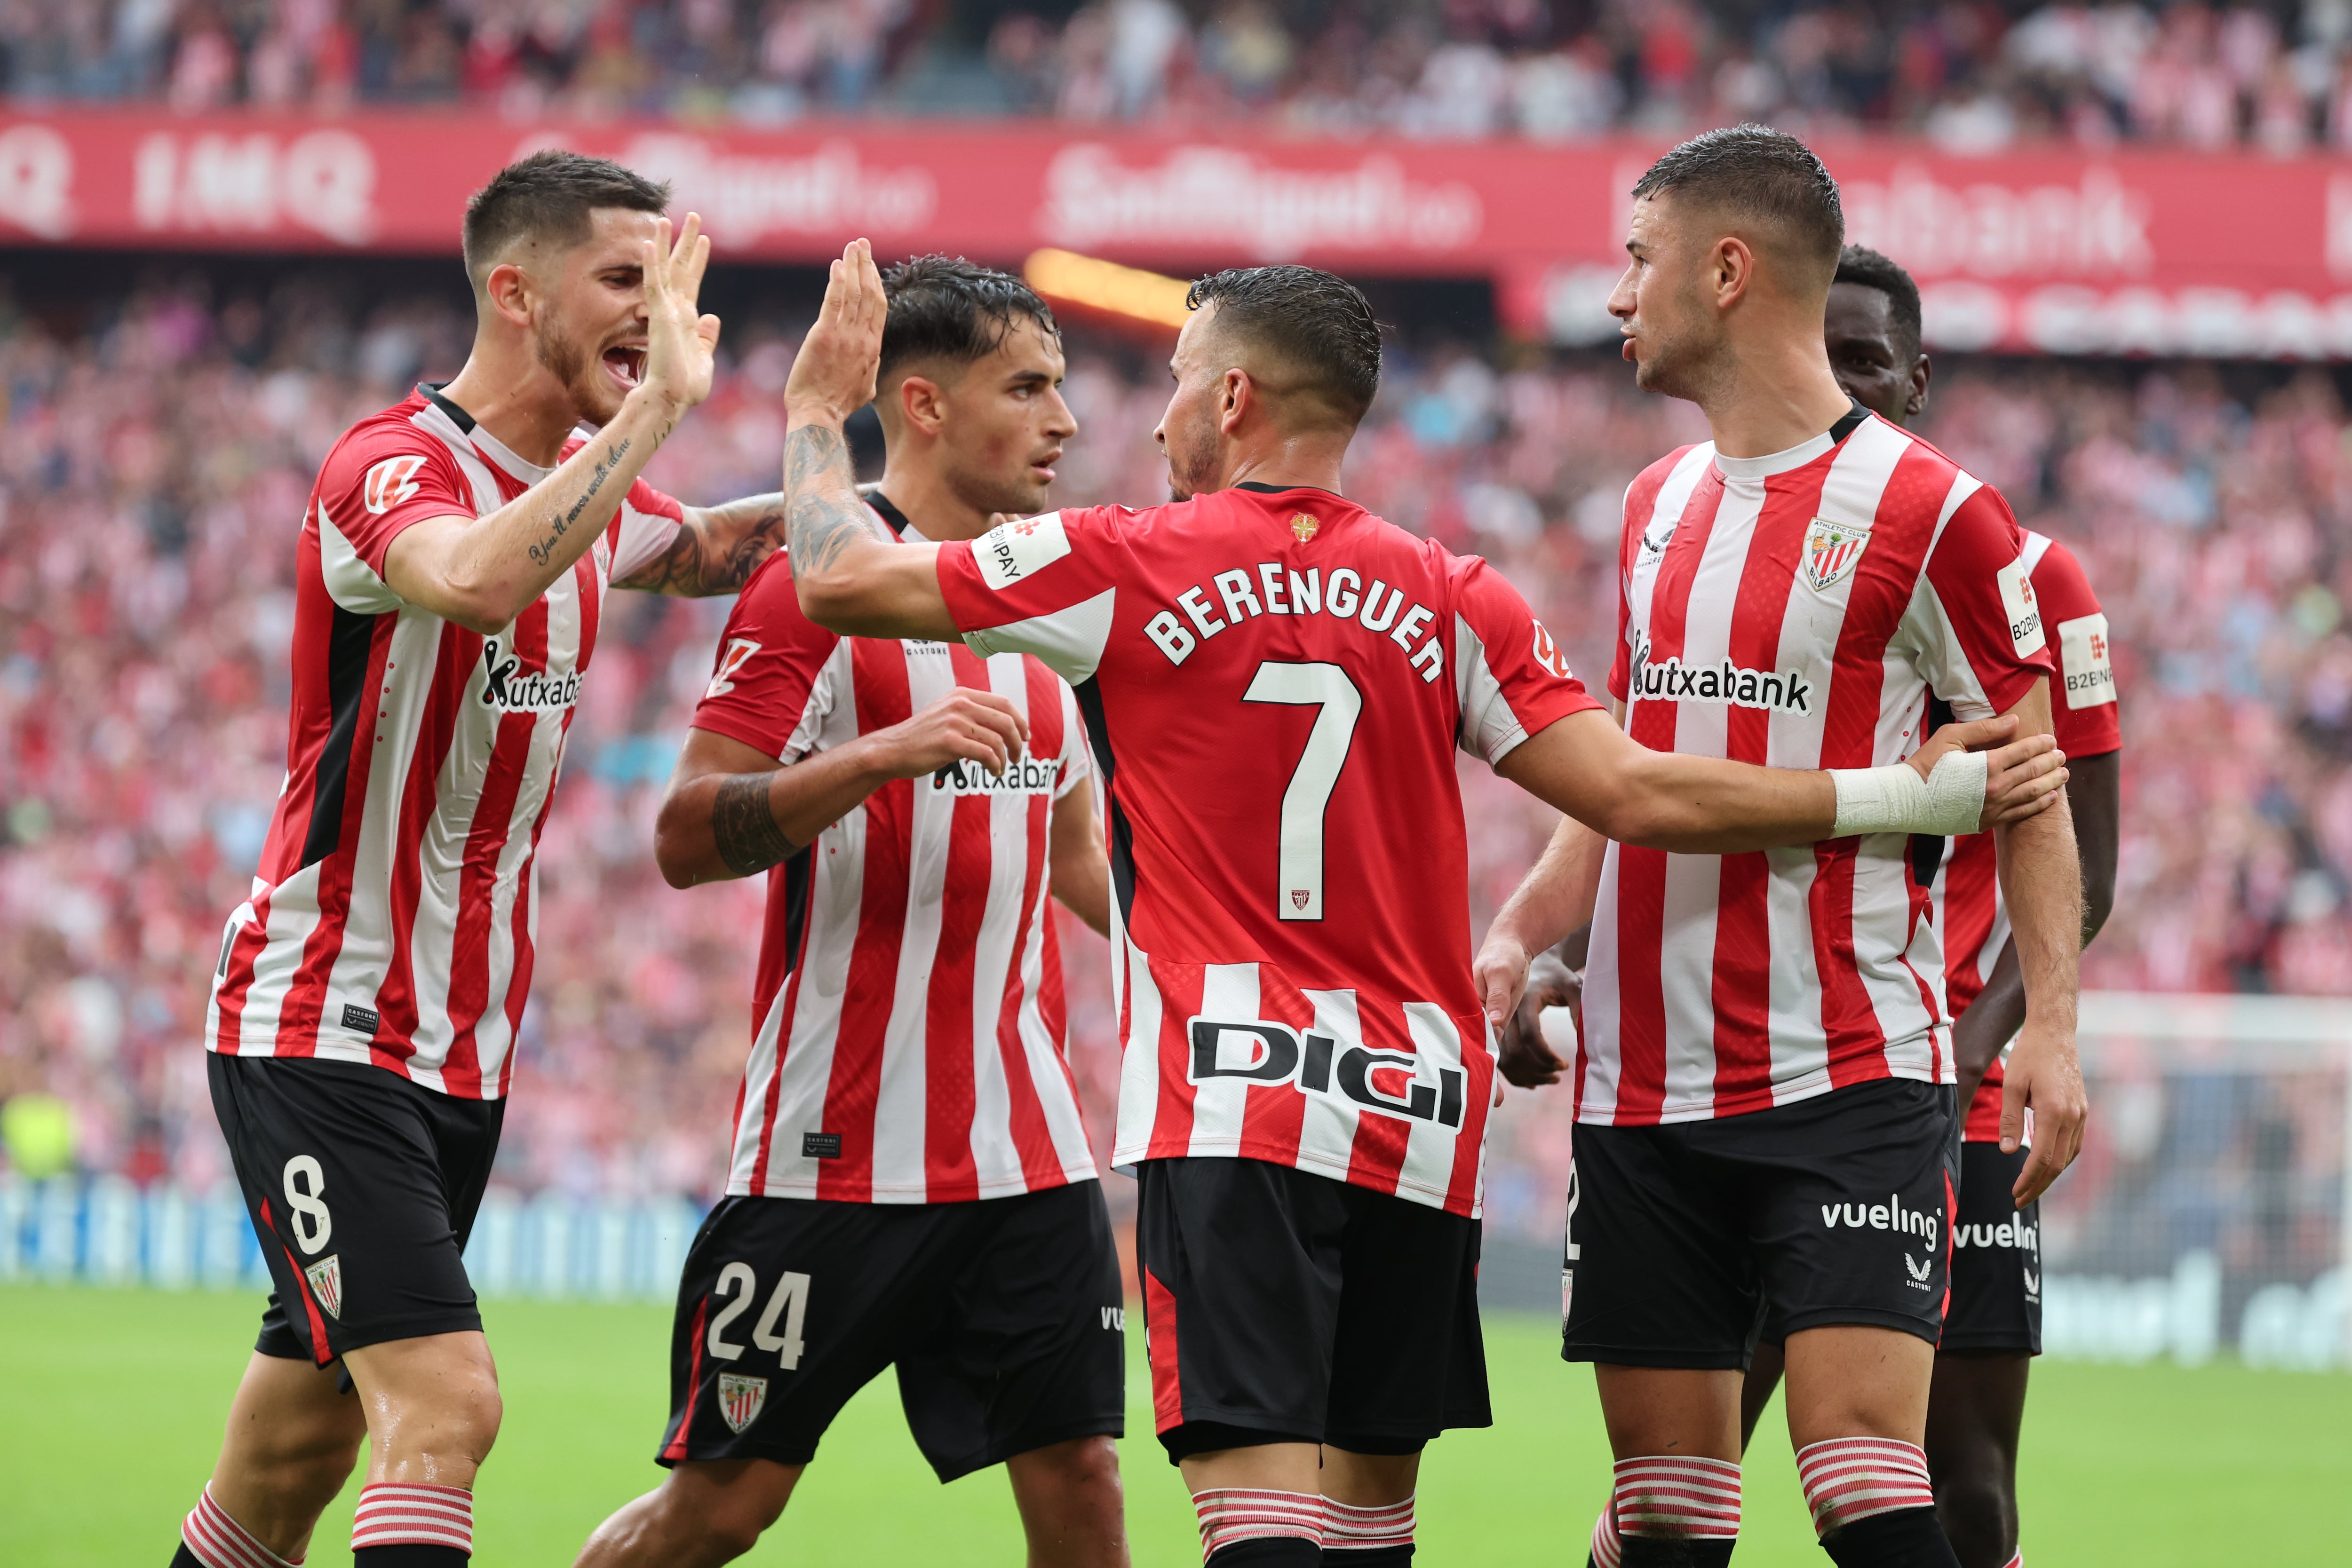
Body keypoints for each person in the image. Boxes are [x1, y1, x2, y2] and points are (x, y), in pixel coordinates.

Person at [771, 238, 2066, 1568]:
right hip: (1418, 1116)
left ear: (1233, 403)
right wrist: (1888, 800)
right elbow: (1639, 793)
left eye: (1175, 381)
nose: (1149, 419)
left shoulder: (1119, 560)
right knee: (1369, 1529)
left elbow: (837, 577)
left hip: (1237, 1094)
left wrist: (821, 406)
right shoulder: (1455, 594)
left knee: (1262, 1523)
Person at [1472, 128, 2090, 1568]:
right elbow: (1624, 777)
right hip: (1640, 1089)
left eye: (1638, 260)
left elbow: (2034, 782)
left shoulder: (1937, 512)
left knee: (1870, 1492)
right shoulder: (1651, 508)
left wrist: (2051, 1032)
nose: (1619, 297)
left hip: (1852, 1073)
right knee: (1669, 1521)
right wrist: (1521, 933)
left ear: (1727, 270)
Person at [176, 150, 800, 1568]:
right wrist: (652, 415)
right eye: (627, 282)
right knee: (448, 1409)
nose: (663, 314)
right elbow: (475, 576)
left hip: (461, 1056)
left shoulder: (578, 488)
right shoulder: (389, 467)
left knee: (291, 1457)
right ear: (515, 292)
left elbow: (699, 548)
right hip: (316, 1024)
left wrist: (886, 488)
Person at [571, 257, 1128, 1568]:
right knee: (721, 1508)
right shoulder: (811, 589)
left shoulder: (1049, 600)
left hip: (1027, 1155)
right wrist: (882, 756)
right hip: (835, 1151)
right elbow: (684, 836)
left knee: (1085, 1484)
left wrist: (1225, 949)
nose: (1065, 423)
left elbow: (1079, 854)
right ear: (922, 406)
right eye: (1030, 388)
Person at [1709, 247, 2117, 1568]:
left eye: (1870, 357)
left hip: (1953, 1086)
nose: (1844, 383)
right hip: (1761, 1071)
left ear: (1920, 378)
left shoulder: (2034, 576)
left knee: (1963, 1482)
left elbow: (2085, 866)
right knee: (1685, 1476)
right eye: (1821, 355)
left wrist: (1973, 1054)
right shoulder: (1738, 548)